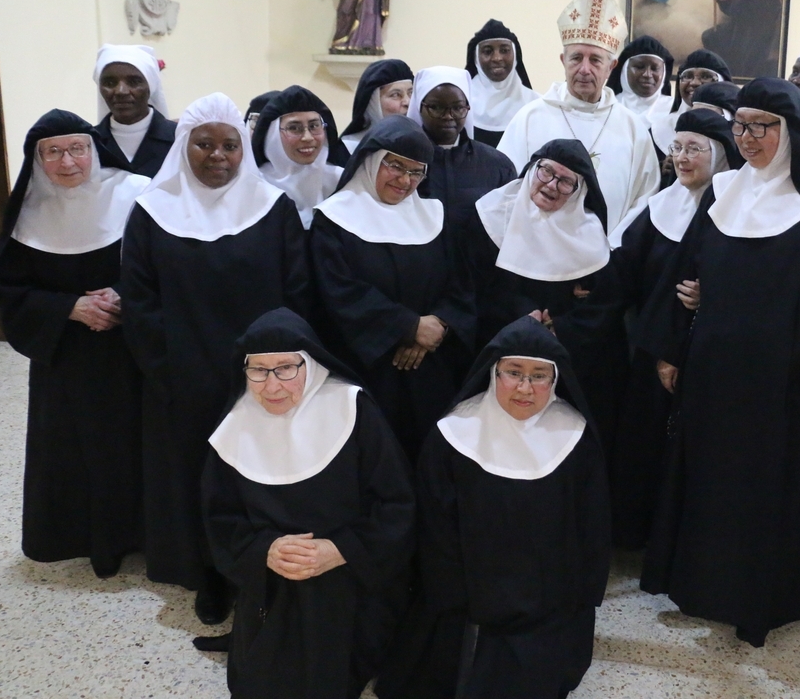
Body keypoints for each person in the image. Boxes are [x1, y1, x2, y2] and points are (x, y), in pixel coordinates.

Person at [638, 78, 800, 647]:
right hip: (714, 364)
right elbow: (692, 269)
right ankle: (701, 586)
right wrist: (678, 340)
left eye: (762, 126)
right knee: (710, 476)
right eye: (740, 125)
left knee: (766, 485)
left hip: (783, 375)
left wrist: (766, 343)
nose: (748, 137)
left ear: (794, 132)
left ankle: (756, 601)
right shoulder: (724, 189)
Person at [121, 93, 310, 623]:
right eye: (204, 144)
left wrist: (279, 371)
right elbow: (139, 302)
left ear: (244, 149)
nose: (218, 156)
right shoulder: (152, 212)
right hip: (180, 376)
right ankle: (204, 572)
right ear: (184, 147)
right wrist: (169, 370)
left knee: (258, 476)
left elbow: (297, 293)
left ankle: (254, 569)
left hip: (262, 376)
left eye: (230, 145)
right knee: (192, 476)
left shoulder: (273, 208)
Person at [380, 316, 610, 699]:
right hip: (465, 598)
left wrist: (577, 594)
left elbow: (591, 526)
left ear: (555, 379)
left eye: (539, 376)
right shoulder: (453, 435)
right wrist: (458, 594)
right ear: (493, 371)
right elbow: (435, 529)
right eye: (513, 372)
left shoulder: (575, 436)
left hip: (546, 600)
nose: (525, 388)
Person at [202, 308, 416, 699]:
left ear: (311, 364)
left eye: (286, 368)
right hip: (271, 581)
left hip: (349, 575)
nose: (271, 386)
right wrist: (265, 551)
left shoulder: (353, 409)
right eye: (258, 370)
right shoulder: (236, 423)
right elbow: (221, 517)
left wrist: (340, 549)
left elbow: (395, 504)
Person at [0, 110, 150, 579]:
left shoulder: (135, 194)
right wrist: (69, 308)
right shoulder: (29, 213)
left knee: (136, 443)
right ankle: (88, 540)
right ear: (37, 159)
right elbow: (10, 291)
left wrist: (124, 296)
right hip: (65, 357)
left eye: (77, 148)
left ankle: (147, 537)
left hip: (131, 351)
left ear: (94, 149)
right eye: (53, 152)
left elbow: (165, 265)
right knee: (76, 450)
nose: (67, 162)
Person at [312, 115, 475, 465]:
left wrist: (439, 324)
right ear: (371, 160)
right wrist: (407, 326)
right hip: (366, 368)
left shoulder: (435, 215)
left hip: (431, 366)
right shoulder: (333, 219)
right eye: (395, 166)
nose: (405, 180)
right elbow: (338, 292)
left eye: (416, 172)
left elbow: (461, 284)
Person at [610, 108, 739, 549]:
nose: (682, 158)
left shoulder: (734, 209)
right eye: (677, 147)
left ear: (719, 155)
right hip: (652, 346)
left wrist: (714, 293)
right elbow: (626, 268)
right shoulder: (662, 204)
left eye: (695, 149)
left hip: (705, 351)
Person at [465, 139, 628, 458]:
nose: (552, 185)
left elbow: (604, 306)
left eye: (566, 181)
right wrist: (525, 320)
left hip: (566, 356)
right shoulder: (489, 215)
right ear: (532, 168)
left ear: (579, 191)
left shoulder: (589, 234)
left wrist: (561, 328)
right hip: (497, 343)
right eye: (546, 172)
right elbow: (472, 286)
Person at [497, 0, 660, 245]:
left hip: (607, 255)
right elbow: (505, 187)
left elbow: (645, 198)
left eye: (595, 60)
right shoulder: (530, 118)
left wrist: (612, 248)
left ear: (611, 67)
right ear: (563, 61)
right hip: (536, 251)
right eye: (576, 58)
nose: (584, 69)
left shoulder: (632, 128)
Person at [406, 66, 517, 232]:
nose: (448, 116)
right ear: (419, 107)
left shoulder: (498, 165)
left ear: (467, 107)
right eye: (437, 107)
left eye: (457, 108)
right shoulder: (403, 163)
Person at [250, 85, 345, 229]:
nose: (308, 137)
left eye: (314, 126)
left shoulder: (341, 181)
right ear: (273, 135)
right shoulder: (255, 185)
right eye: (294, 128)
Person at [92, 44, 175, 178]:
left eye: (134, 82)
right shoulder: (88, 142)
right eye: (110, 83)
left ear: (150, 86)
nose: (121, 91)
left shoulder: (180, 138)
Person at [651, 49, 732, 168]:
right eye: (687, 76)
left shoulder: (737, 128)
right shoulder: (660, 129)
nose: (694, 83)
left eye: (705, 76)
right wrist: (663, 172)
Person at [465, 19, 539, 147]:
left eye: (504, 50)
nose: (497, 58)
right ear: (476, 58)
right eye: (487, 51)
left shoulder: (535, 104)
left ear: (515, 56)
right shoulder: (461, 103)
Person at [341, 59, 415, 155]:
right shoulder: (346, 150)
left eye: (410, 93)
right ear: (374, 103)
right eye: (395, 95)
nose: (407, 102)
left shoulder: (424, 145)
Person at [606, 35, 675, 136]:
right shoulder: (607, 107)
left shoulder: (675, 109)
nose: (647, 74)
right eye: (639, 67)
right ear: (624, 71)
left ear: (664, 73)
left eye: (655, 68)